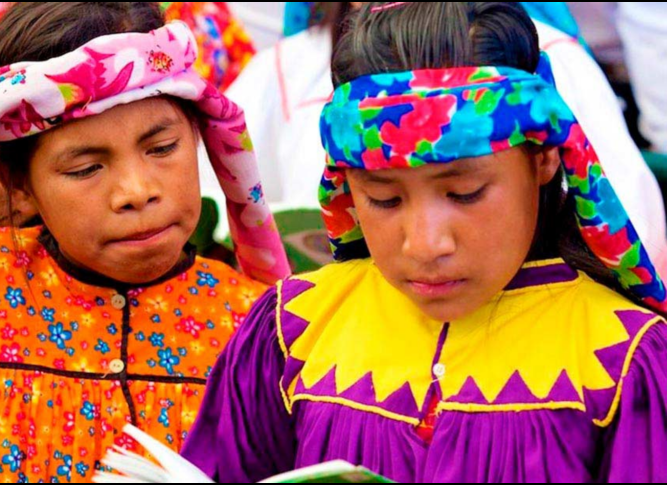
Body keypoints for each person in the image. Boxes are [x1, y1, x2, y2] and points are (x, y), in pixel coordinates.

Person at [182, 3, 667, 482]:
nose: (425, 244)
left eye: (465, 192)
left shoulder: (621, 359)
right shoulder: (292, 330)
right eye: (384, 199)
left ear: (543, 159)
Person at [0, 2, 289, 481]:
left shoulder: (256, 327)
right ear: (19, 184)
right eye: (85, 168)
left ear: (198, 135)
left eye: (162, 147)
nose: (136, 191)